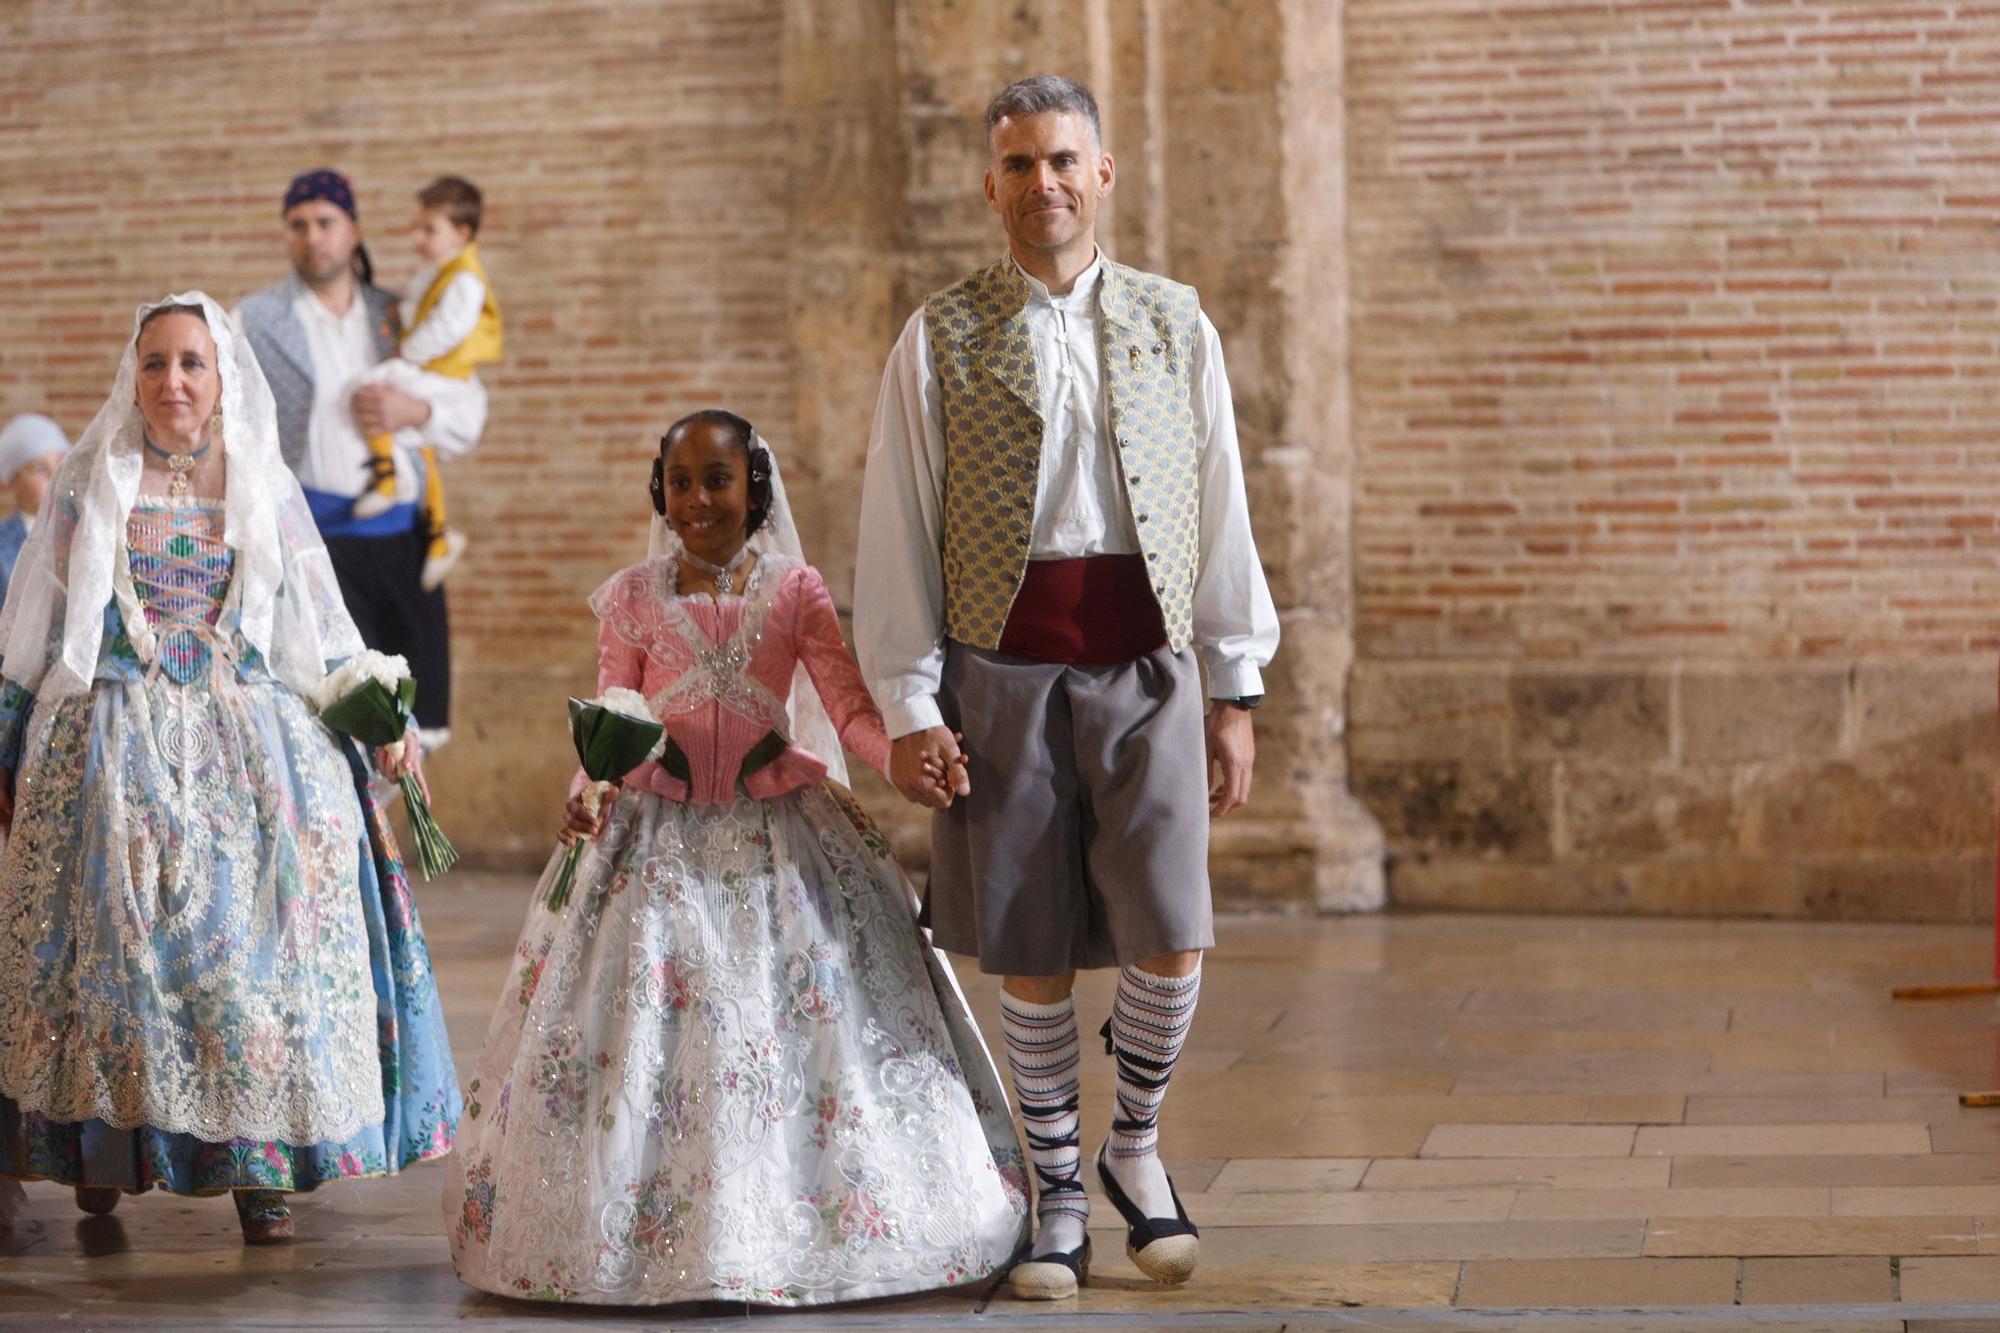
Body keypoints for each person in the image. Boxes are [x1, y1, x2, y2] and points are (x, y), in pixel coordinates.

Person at [444, 410, 1027, 1306]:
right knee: (651, 1033)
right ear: (660, 492)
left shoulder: (795, 591)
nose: (698, 499)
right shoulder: (634, 596)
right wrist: (588, 781)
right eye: (680, 481)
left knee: (795, 1027)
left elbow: (849, 710)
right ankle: (634, 1230)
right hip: (655, 843)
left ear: (754, 487)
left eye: (717, 479)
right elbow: (615, 706)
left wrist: (905, 754)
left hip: (779, 838)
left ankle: (793, 1223)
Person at [853, 74, 1279, 1300]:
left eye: (1062, 160)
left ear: (1100, 175)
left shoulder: (1171, 322)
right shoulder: (937, 336)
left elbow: (1219, 504)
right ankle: (1050, 1189)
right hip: (999, 660)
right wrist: (912, 703)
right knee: (1027, 938)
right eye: (1019, 163)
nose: (1042, 181)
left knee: (1171, 924)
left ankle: (1131, 1147)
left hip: (1148, 661)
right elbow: (899, 525)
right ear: (989, 185)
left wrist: (1234, 686)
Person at [0, 293, 460, 1243]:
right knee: (121, 961)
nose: (173, 381)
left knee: (258, 958)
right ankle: (105, 1155)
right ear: (134, 373)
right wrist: (10, 736)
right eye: (156, 361)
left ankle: (261, 1167)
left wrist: (382, 716)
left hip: (247, 742)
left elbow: (319, 624)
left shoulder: (261, 480)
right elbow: (36, 629)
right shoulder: (92, 477)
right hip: (117, 738)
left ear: (222, 378)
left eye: (193, 363)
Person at [237, 169, 485, 746]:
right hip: (311, 546)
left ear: (354, 231)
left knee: (410, 728)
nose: (312, 236)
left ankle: (385, 839)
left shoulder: (402, 316)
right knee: (329, 717)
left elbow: (470, 409)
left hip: (402, 542)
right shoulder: (255, 319)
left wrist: (415, 411)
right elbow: (238, 432)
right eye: (297, 225)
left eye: (326, 222)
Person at [351, 175, 500, 593]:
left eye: (428, 229)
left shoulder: (465, 279)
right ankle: (438, 531)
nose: (416, 237)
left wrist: (409, 352)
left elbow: (446, 328)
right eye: (415, 227)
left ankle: (386, 475)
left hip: (439, 372)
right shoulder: (439, 272)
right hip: (430, 368)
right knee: (419, 447)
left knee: (369, 386)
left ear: (462, 233)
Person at [0, 414, 69, 607]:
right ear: (13, 481)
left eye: (61, 464)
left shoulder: (85, 532)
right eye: (40, 469)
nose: (54, 476)